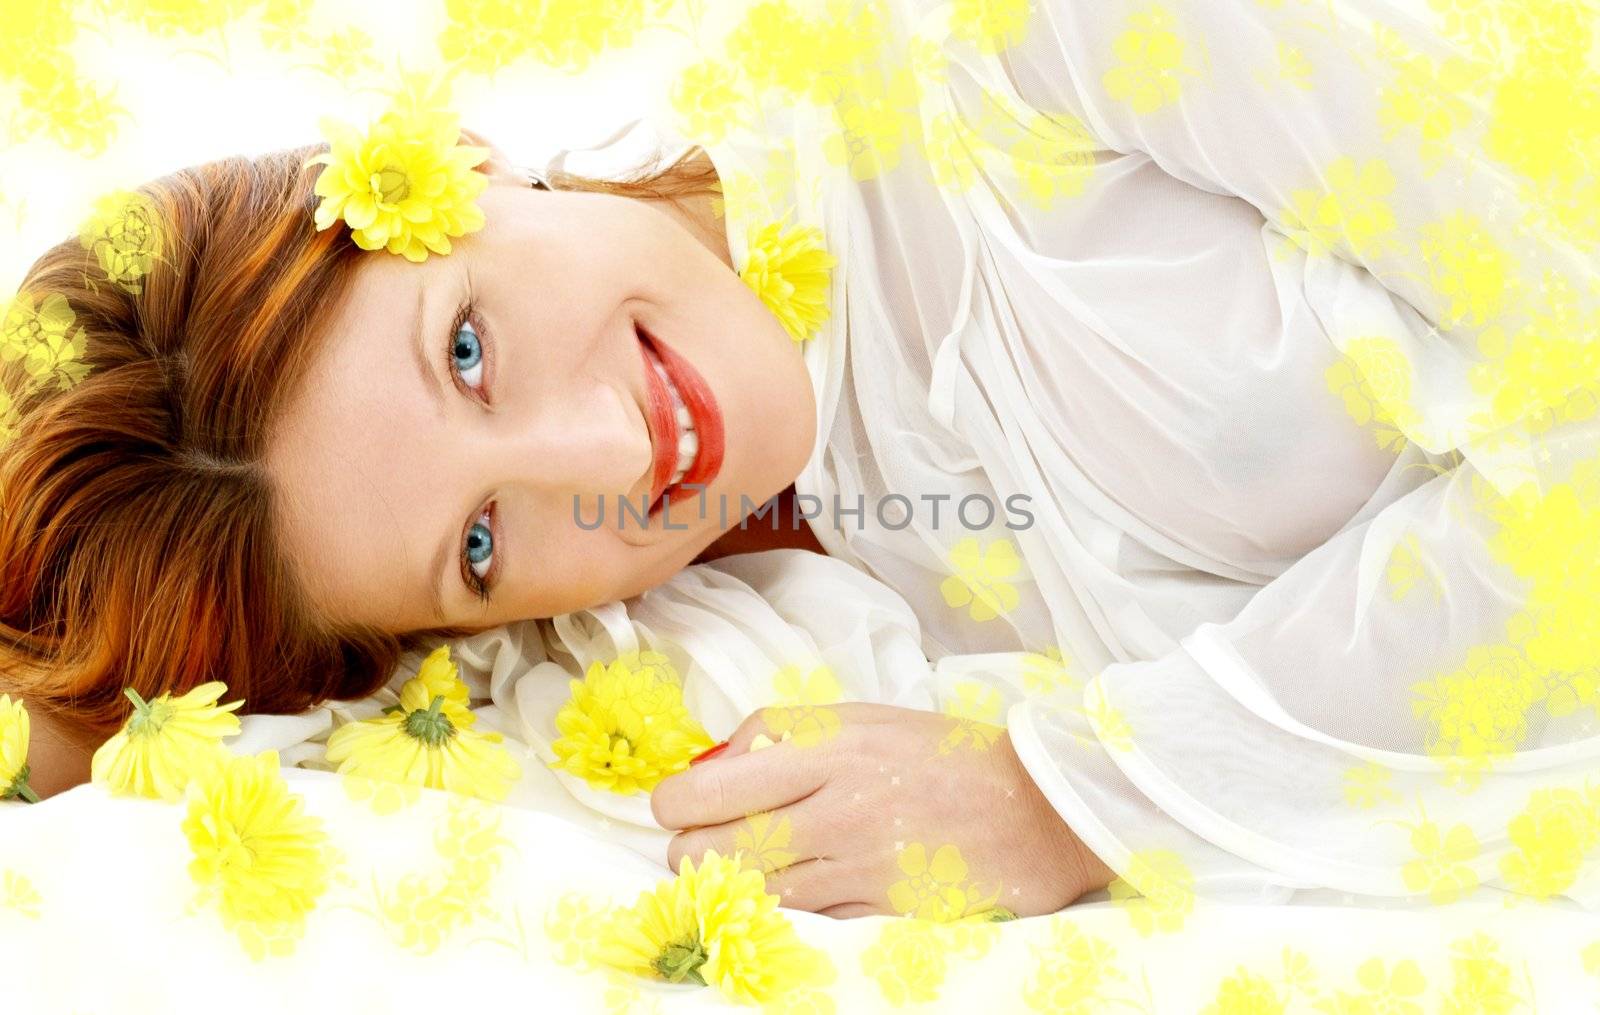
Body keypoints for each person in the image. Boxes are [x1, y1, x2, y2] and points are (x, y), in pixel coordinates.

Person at [4, 0, 1599, 920]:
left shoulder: (992, 48)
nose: (613, 453)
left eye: (469, 347)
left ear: (458, 161)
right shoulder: (644, 638)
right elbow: (99, 730)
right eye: (480, 546)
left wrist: (1083, 791)